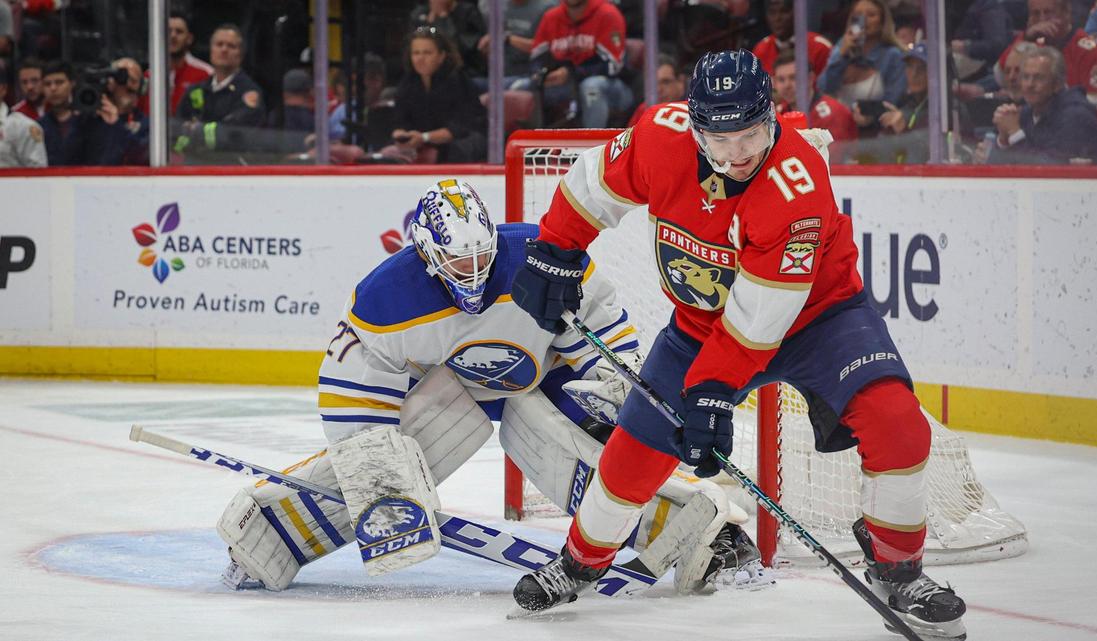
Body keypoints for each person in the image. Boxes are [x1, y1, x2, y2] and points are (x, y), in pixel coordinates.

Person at [509, 48, 969, 640]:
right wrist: (555, 250)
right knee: (633, 456)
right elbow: (591, 185)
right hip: (702, 327)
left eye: (751, 134)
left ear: (771, 116)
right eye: (721, 139)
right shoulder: (658, 136)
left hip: (821, 320)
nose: (738, 154)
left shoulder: (795, 184)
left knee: (899, 424)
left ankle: (899, 566)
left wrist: (711, 395)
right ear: (695, 125)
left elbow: (758, 321)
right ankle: (579, 562)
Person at [215, 179, 764, 596]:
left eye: (483, 256)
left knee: (583, 446)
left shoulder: (538, 257)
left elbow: (600, 321)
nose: (474, 271)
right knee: (379, 465)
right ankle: (266, 533)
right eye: (458, 260)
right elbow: (352, 394)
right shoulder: (385, 299)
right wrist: (379, 476)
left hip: (543, 376)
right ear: (427, 254)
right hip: (441, 390)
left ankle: (711, 540)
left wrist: (611, 383)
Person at [990, 44, 1097, 163]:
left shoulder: (1076, 117)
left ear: (1057, 84)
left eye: (1038, 78)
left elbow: (1051, 171)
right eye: (1025, 77)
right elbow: (992, 165)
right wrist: (1003, 139)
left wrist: (1014, 133)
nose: (1030, 85)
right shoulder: (1026, 113)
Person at [528, 0, 634, 128]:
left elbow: (613, 66)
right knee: (522, 86)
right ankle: (533, 143)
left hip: (612, 87)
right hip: (564, 84)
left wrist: (571, 73)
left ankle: (593, 144)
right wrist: (542, 74)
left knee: (590, 87)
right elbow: (536, 57)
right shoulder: (551, 16)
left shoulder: (607, 14)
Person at [998, 0, 1097, 112]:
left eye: (1048, 12)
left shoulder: (1091, 53)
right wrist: (1025, 38)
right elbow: (1000, 75)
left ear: (1066, 13)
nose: (1042, 19)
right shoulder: (1032, 41)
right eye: (1035, 14)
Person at [389, 26, 487, 163]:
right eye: (416, 53)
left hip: (465, 140)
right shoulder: (407, 83)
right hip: (424, 141)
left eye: (427, 53)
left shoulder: (458, 80)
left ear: (441, 56)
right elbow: (400, 120)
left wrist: (424, 137)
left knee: (455, 150)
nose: (420, 59)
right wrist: (400, 134)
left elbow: (460, 126)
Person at [173, 24, 266, 163]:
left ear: (240, 54)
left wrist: (196, 131)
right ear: (211, 50)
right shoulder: (195, 90)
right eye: (219, 44)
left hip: (233, 169)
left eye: (231, 46)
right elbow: (176, 132)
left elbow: (233, 135)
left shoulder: (249, 93)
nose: (224, 49)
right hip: (193, 169)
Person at [819, 0, 907, 108]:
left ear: (882, 22)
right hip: (840, 120)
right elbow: (824, 87)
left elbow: (892, 100)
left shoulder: (892, 55)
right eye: (857, 15)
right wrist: (841, 55)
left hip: (875, 122)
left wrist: (869, 116)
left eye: (871, 15)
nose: (863, 20)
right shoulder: (842, 46)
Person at [38, 60, 127, 166]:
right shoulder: (39, 126)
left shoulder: (94, 120)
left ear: (72, 83)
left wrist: (114, 124)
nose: (53, 88)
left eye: (59, 82)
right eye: (47, 84)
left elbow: (112, 157)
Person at [771, 48, 857, 142]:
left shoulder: (833, 114)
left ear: (810, 78)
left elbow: (836, 156)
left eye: (794, 78)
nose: (787, 85)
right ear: (774, 83)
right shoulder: (778, 114)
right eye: (781, 79)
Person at [140, 11, 214, 117]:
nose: (173, 36)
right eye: (168, 31)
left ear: (189, 39)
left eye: (179, 32)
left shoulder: (205, 74)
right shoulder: (149, 76)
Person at [477, 0, 556, 90]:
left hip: (529, 74)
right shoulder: (498, 7)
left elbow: (544, 47)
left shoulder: (546, 8)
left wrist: (508, 38)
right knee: (466, 85)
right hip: (499, 74)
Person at [751, 0, 833, 77]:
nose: (777, 18)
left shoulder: (820, 49)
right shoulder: (761, 50)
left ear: (797, 13)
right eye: (772, 12)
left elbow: (829, 89)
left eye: (784, 11)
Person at [409, 0, 488, 77]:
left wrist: (444, 20)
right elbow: (417, 34)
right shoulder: (421, 14)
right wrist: (429, 25)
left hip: (467, 72)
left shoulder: (468, 12)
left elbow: (463, 48)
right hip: (430, 74)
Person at [0, 63, 47, 168]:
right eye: (24, 82)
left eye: (34, 81)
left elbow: (38, 175)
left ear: (3, 89)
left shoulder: (23, 126)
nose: (29, 86)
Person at [626, 54, 688, 126]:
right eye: (653, 84)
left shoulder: (694, 110)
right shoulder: (644, 109)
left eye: (665, 82)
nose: (658, 89)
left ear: (681, 82)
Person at [108, 57, 149, 166]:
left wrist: (116, 124)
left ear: (142, 87)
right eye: (121, 78)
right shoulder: (92, 119)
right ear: (110, 83)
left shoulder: (147, 125)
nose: (127, 85)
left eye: (133, 81)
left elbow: (139, 158)